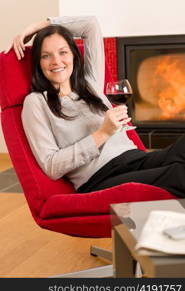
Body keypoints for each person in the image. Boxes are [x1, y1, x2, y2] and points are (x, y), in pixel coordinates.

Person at [5, 16, 185, 198]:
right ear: (38, 62)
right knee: (178, 175)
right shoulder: (36, 102)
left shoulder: (91, 84)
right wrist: (103, 133)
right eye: (46, 55)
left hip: (134, 158)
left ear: (74, 55)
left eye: (63, 52)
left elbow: (90, 25)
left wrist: (38, 26)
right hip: (100, 177)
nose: (56, 61)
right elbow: (52, 166)